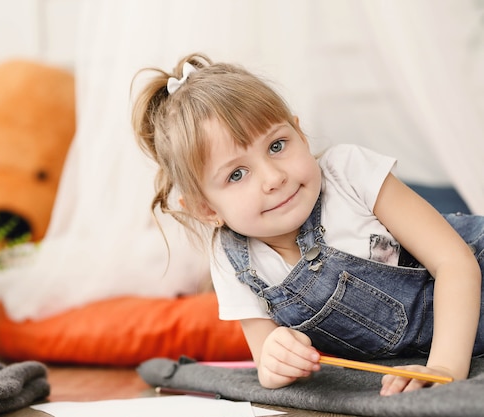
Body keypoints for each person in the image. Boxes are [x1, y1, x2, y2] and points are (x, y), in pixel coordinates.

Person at [131, 52, 484, 396]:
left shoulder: (348, 174)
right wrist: (277, 358)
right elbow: (265, 361)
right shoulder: (233, 259)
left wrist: (444, 369)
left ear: (300, 134)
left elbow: (455, 263)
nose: (273, 178)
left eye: (277, 145)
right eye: (237, 174)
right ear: (206, 209)